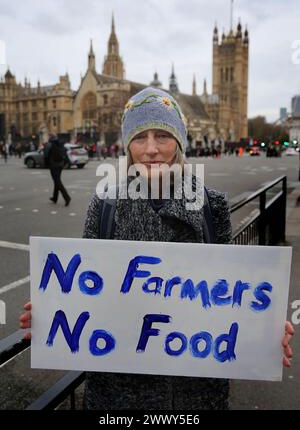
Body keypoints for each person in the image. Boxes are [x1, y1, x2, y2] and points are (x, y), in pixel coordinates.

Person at [20, 87, 294, 410]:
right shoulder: (104, 207)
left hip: (196, 397)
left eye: (162, 135)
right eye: (139, 137)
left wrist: (263, 325)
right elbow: (86, 292)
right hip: (117, 398)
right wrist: (52, 310)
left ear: (179, 142)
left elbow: (228, 298)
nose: (151, 149)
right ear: (127, 147)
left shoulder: (212, 207)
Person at [43, 135, 71, 206]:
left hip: (53, 165)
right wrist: (67, 162)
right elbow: (65, 154)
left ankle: (67, 197)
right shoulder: (61, 145)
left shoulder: (49, 145)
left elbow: (46, 155)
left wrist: (46, 164)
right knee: (57, 180)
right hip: (60, 165)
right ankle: (55, 197)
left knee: (57, 181)